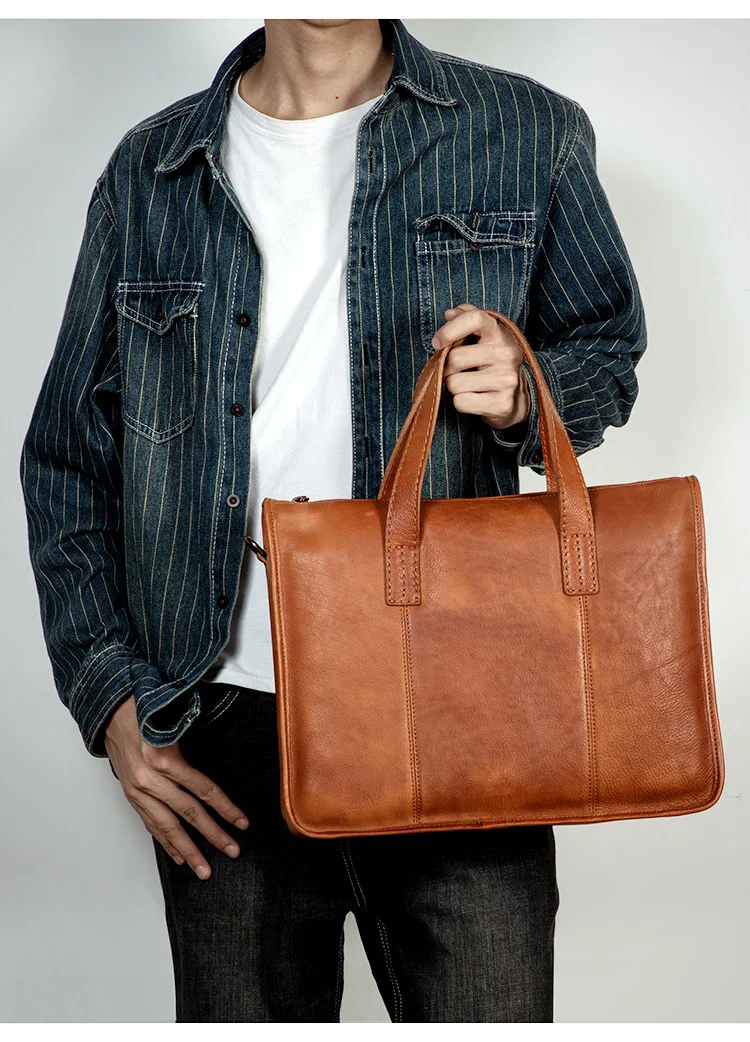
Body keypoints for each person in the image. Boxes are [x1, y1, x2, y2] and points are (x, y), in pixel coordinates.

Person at [19, 17, 646, 1023]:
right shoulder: (151, 168)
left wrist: (531, 388)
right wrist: (112, 700)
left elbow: (605, 355)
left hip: (462, 707)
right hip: (221, 728)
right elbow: (67, 459)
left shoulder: (530, 132)